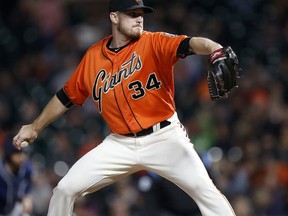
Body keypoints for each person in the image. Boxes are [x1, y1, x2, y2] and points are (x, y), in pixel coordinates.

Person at [13, 0, 237, 215]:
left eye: (140, 14)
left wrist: (215, 49)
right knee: (64, 190)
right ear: (114, 17)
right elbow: (65, 97)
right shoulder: (93, 56)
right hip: (120, 144)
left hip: (165, 138)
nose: (139, 19)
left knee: (206, 192)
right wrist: (35, 126)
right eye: (132, 14)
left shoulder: (154, 42)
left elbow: (191, 43)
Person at [0, 135, 33, 216]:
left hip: (14, 209)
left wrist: (26, 199)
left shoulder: (27, 169)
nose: (22, 156)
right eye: (18, 153)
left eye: (24, 153)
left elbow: (26, 191)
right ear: (9, 153)